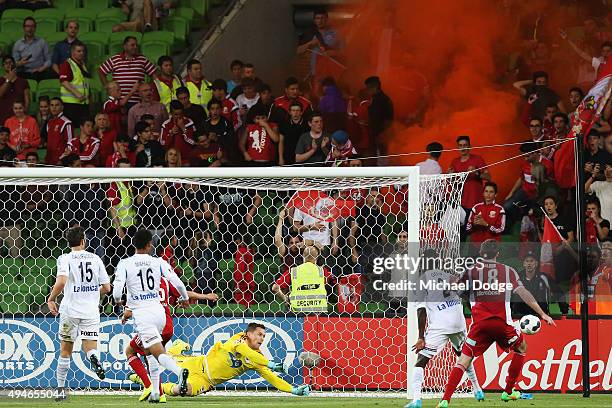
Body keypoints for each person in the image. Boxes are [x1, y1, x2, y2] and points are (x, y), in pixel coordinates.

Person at [436, 240, 555, 407]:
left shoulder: (470, 271)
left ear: (481, 253)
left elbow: (451, 290)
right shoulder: (509, 271)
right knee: (521, 348)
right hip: (502, 324)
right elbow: (523, 293)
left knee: (463, 361)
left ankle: (445, 400)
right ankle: (507, 392)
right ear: (498, 254)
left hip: (480, 326)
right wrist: (542, 313)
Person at [112, 229, 190, 402]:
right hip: (160, 312)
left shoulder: (125, 263)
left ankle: (179, 372)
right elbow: (177, 281)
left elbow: (117, 290)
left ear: (134, 244)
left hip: (143, 314)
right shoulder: (159, 261)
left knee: (156, 352)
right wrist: (184, 298)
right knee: (149, 352)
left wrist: (119, 301)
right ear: (149, 244)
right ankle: (156, 392)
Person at [129, 322, 309, 397]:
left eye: (264, 336)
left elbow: (272, 378)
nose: (262, 339)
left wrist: (294, 390)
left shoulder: (258, 358)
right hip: (198, 363)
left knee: (183, 391)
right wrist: (270, 363)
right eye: (259, 334)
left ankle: (146, 382)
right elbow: (241, 350)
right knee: (164, 358)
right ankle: (179, 348)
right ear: (248, 334)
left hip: (206, 380)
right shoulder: (239, 339)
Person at [405, 250, 484, 408]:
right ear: (439, 262)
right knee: (463, 356)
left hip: (441, 325)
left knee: (421, 360)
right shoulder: (451, 276)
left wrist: (421, 337)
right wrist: (477, 316)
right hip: (458, 322)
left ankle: (416, 400)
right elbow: (467, 296)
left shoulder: (422, 280)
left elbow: (421, 310)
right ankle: (477, 389)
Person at [123, 279, 217, 402]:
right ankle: (159, 394)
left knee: (130, 351)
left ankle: (158, 382)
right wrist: (206, 296)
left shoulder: (139, 282)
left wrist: (124, 315)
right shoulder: (164, 281)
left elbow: (129, 312)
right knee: (151, 356)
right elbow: (184, 293)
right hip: (167, 326)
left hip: (152, 325)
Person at [46, 226, 110, 401]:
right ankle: (95, 358)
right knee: (90, 348)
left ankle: (60, 390)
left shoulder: (64, 258)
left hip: (70, 310)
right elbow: (107, 288)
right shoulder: (96, 258)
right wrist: (91, 292)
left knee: (65, 351)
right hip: (91, 311)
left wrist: (51, 299)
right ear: (84, 241)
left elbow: (61, 282)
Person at [99, 36, 157, 109]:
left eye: (136, 45)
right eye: (132, 45)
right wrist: (108, 88)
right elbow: (101, 71)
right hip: (120, 101)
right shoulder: (115, 59)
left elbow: (154, 74)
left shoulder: (142, 59)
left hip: (138, 101)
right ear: (125, 46)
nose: (135, 47)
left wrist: (151, 89)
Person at [511, 251, 567, 317]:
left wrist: (564, 311)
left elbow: (559, 294)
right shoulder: (517, 278)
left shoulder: (544, 277)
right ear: (523, 264)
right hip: (520, 317)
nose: (529, 263)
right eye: (527, 261)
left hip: (542, 317)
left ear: (536, 263)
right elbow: (510, 296)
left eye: (532, 261)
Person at [447, 136, 490, 212]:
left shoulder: (477, 159)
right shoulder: (454, 162)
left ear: (469, 147)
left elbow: (488, 177)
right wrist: (450, 175)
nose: (462, 148)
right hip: (460, 202)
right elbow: (453, 183)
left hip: (476, 201)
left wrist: (476, 173)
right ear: (458, 148)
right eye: (460, 145)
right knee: (462, 224)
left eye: (465, 145)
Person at [466, 182, 506, 254]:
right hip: (474, 245)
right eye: (486, 191)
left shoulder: (500, 210)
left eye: (491, 192)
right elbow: (468, 228)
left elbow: (500, 229)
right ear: (483, 193)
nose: (488, 194)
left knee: (488, 265)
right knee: (471, 265)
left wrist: (486, 224)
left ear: (495, 194)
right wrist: (474, 224)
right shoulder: (476, 207)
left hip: (491, 247)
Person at [59, 43, 90, 127]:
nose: (82, 53)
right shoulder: (67, 64)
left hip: (83, 104)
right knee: (72, 129)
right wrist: (77, 94)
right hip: (71, 105)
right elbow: (64, 82)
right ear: (72, 52)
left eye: (83, 51)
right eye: (79, 51)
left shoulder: (82, 65)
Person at [365, 76, 393, 158]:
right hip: (377, 134)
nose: (367, 91)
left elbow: (388, 119)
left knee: (381, 158)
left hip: (380, 134)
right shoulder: (376, 99)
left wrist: (381, 133)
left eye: (368, 88)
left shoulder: (382, 100)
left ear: (375, 87)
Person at [159, 100, 195, 165]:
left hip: (186, 160)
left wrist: (183, 128)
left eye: (180, 114)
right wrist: (171, 134)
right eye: (176, 114)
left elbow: (193, 142)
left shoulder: (189, 122)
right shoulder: (166, 125)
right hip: (171, 162)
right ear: (171, 113)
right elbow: (162, 144)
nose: (178, 116)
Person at [0, 55, 29, 125]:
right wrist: (8, 79)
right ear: (3, 66)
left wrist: (24, 112)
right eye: (6, 63)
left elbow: (27, 100)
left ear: (14, 64)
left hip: (20, 117)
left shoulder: (23, 81)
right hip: (4, 117)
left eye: (10, 62)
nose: (8, 64)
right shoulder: (0, 80)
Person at [279, 101, 309, 166]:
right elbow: (281, 141)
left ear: (301, 112)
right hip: (288, 156)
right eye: (293, 110)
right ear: (290, 112)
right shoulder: (284, 124)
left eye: (298, 110)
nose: (295, 113)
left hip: (303, 157)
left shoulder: (307, 125)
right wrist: (280, 157)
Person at [45, 98, 73, 166]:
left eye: (57, 105)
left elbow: (70, 144)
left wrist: (62, 159)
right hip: (49, 161)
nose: (54, 107)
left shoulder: (66, 122)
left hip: (60, 162)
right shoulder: (49, 122)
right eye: (52, 105)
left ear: (62, 107)